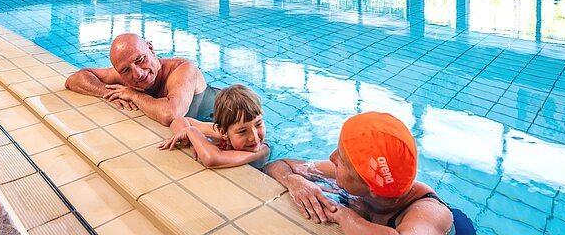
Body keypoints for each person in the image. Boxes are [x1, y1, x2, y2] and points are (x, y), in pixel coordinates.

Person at [265, 112, 475, 234]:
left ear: (371, 187)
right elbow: (280, 164)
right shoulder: (351, 179)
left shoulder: (429, 213)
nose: (331, 158)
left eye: (342, 161)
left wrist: (344, 216)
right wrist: (294, 181)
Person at [64, 33, 208, 126]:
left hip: (215, 116)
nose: (138, 73)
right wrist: (107, 92)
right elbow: (74, 79)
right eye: (125, 70)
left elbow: (170, 114)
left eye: (140, 60)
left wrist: (134, 95)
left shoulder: (183, 69)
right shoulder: (125, 72)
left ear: (150, 49)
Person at [158, 84, 270, 169]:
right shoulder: (221, 133)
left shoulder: (261, 150)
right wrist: (192, 141)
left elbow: (212, 159)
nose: (254, 137)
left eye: (258, 124)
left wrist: (192, 133)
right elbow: (179, 121)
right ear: (224, 133)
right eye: (242, 131)